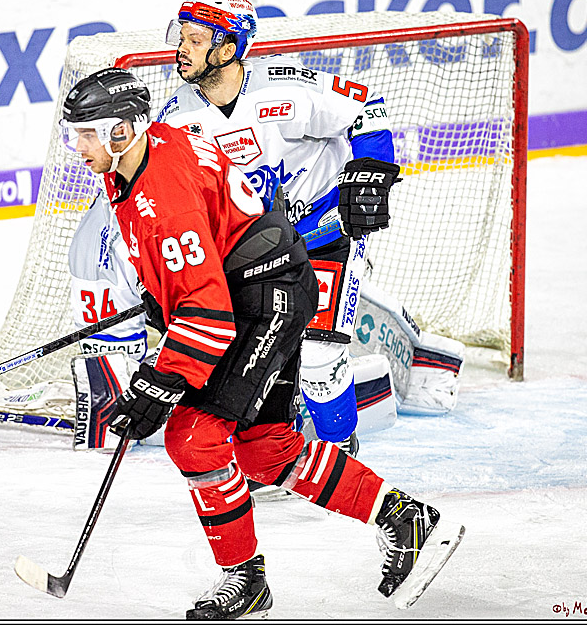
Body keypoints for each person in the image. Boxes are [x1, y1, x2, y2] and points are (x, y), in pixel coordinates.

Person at [60, 67, 464, 619]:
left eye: (87, 133)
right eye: (73, 134)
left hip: (262, 297)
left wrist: (159, 385)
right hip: (251, 286)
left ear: (124, 130)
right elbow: (195, 262)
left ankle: (244, 581)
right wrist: (164, 303)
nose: (77, 147)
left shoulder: (161, 191)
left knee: (192, 435)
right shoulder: (141, 158)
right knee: (263, 448)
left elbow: (206, 314)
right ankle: (402, 516)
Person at [157, 0, 463, 450]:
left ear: (227, 48)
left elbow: (366, 106)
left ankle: (340, 452)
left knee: (319, 356)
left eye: (196, 39)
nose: (181, 48)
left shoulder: (284, 85)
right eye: (181, 37)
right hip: (260, 249)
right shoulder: (176, 121)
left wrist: (370, 173)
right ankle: (275, 447)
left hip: (327, 230)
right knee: (260, 352)